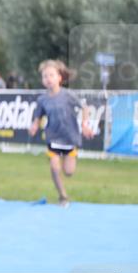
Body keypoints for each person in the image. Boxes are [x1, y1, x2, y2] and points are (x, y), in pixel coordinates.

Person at [28, 59, 94, 207]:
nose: (48, 79)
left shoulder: (68, 95)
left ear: (59, 77)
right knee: (54, 167)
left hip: (69, 138)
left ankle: (65, 159)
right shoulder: (42, 99)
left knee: (69, 172)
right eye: (45, 76)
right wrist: (34, 126)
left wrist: (85, 125)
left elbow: (84, 108)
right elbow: (38, 117)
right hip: (53, 138)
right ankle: (63, 196)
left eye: (51, 75)